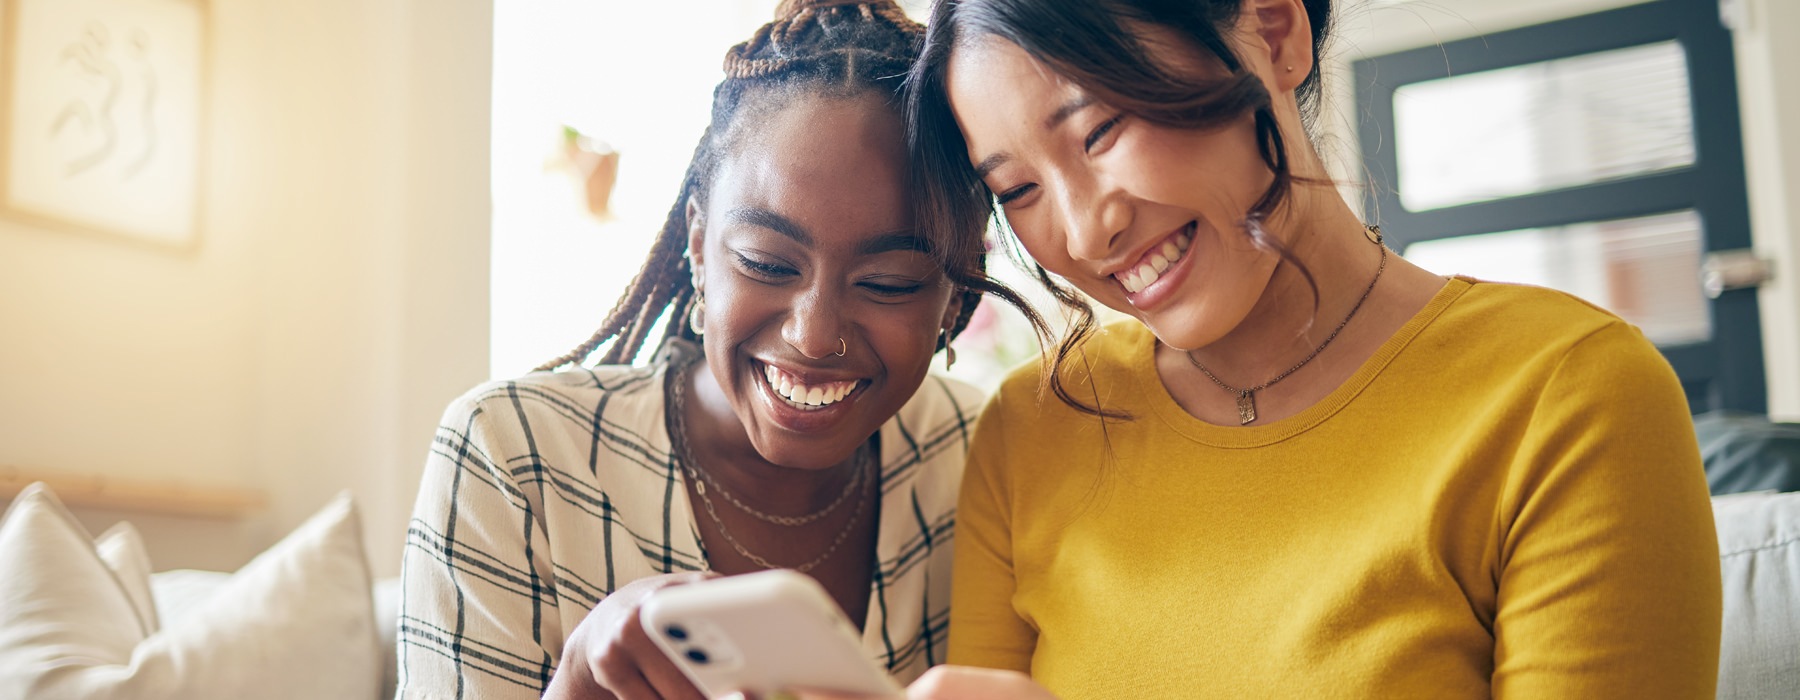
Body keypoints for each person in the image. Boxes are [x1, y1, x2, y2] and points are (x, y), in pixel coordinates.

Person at [864, 0, 1723, 697]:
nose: (1089, 231)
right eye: (1017, 189)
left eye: (1102, 129)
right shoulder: (1035, 424)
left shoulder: (1567, 394)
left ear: (1274, 34)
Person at [394, 2, 1043, 697]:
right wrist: (578, 680)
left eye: (888, 283)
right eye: (767, 264)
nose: (813, 335)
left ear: (956, 294)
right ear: (699, 247)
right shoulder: (512, 458)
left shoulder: (982, 460)